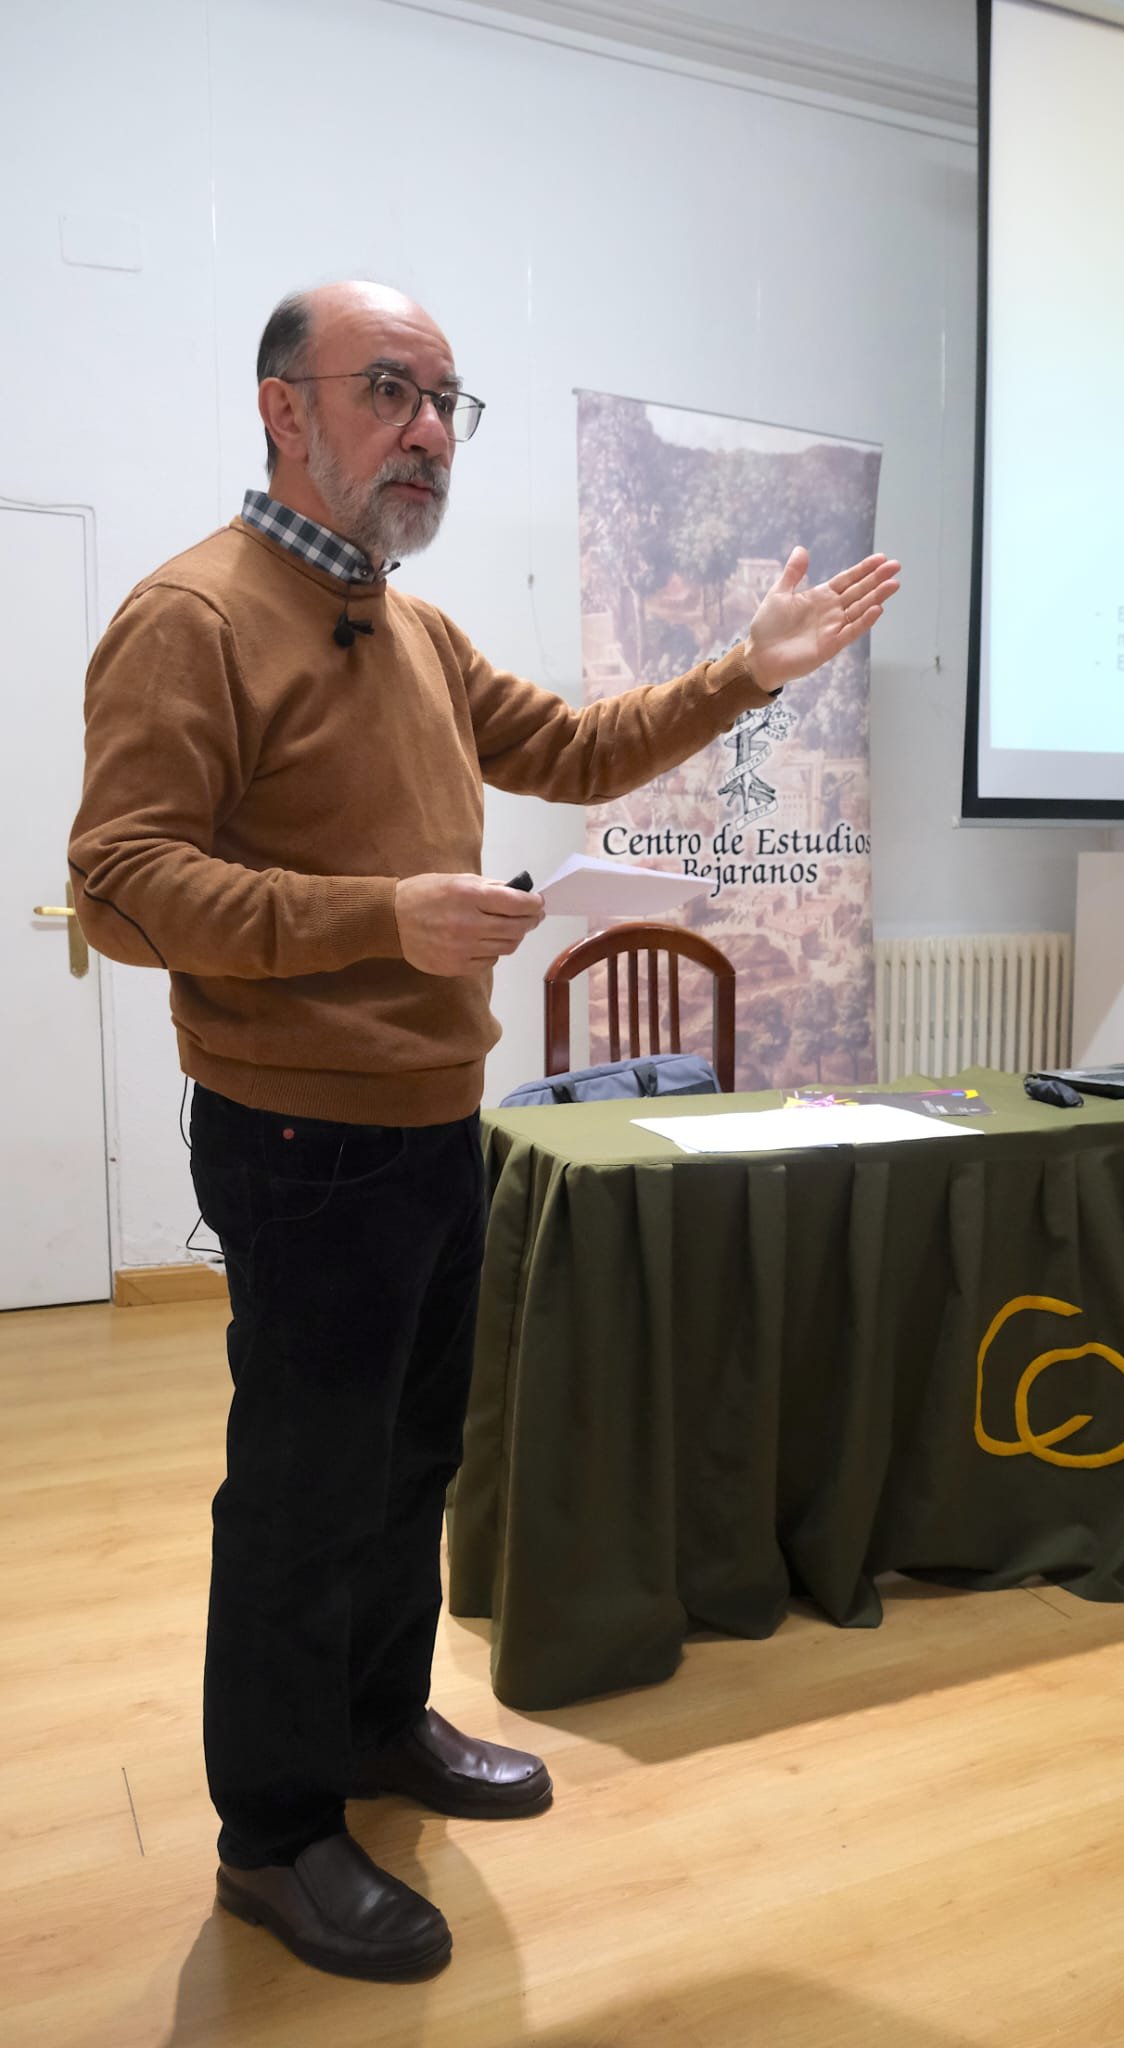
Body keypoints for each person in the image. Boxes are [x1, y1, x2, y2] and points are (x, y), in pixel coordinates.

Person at [68, 280, 901, 1983]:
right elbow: (122, 883)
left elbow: (577, 751)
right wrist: (378, 916)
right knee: (303, 1498)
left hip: (436, 1121)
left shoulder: (417, 629)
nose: (430, 431)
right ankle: (273, 1835)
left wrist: (745, 673)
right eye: (390, 389)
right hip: (298, 1140)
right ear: (283, 407)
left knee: (407, 1469)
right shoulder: (192, 615)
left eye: (449, 401)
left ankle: (376, 1728)